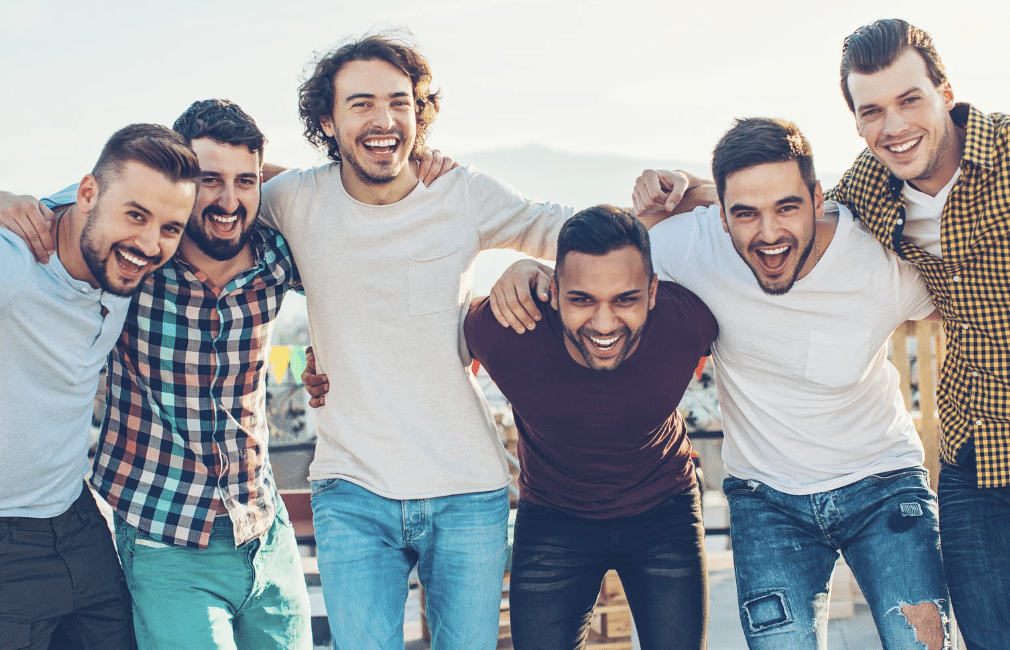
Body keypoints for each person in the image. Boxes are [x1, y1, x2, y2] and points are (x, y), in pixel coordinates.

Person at [496, 118, 951, 649]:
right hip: (768, 499)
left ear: (818, 198)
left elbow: (972, 302)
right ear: (721, 214)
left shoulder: (875, 261)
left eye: (787, 207)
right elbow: (598, 269)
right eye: (745, 214)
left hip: (882, 484)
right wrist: (529, 270)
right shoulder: (693, 247)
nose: (769, 234)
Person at [257, 32, 573, 649]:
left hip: (467, 490)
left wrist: (534, 267)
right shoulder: (294, 199)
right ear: (328, 119)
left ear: (420, 114)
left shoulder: (461, 192)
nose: (384, 120)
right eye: (362, 104)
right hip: (352, 491)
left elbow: (579, 239)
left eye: (400, 102)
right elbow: (210, 183)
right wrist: (18, 202)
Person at [306, 205, 716, 649]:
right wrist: (327, 363)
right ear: (554, 292)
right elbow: (410, 345)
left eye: (625, 299)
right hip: (556, 520)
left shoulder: (687, 321)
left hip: (663, 513)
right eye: (582, 299)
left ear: (653, 291)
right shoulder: (508, 330)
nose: (604, 322)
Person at [829, 20, 1010, 648]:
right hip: (975, 451)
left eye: (910, 100)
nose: (895, 126)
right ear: (857, 122)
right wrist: (690, 193)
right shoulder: (868, 192)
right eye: (872, 110)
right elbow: (785, 215)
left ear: (946, 93)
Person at [0, 123, 198, 649]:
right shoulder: (15, 262)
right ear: (86, 194)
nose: (149, 245)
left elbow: (239, 175)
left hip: (78, 521)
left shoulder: (124, 239)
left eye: (170, 228)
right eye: (135, 216)